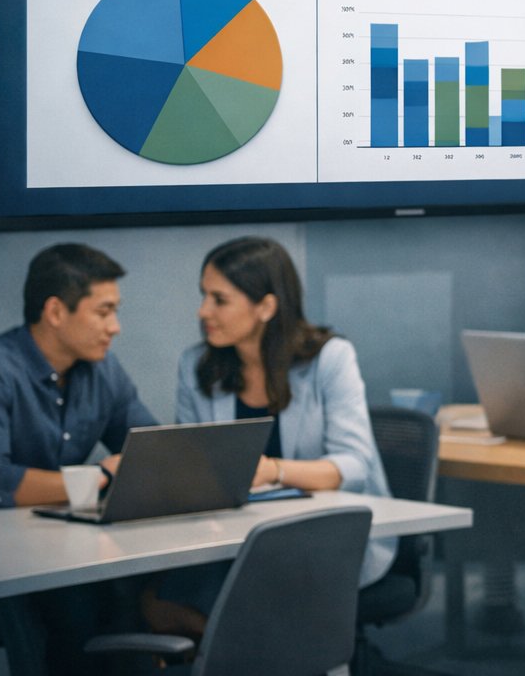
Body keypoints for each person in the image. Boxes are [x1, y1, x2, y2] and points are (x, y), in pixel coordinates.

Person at [142, 236, 394, 636]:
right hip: (230, 537)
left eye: (219, 299)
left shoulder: (330, 358)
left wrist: (273, 471)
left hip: (322, 538)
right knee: (150, 594)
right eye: (203, 296)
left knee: (245, 598)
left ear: (266, 307)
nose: (203, 311)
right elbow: (192, 465)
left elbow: (354, 466)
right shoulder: (197, 365)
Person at [0, 243, 157, 672]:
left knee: (132, 588)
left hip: (71, 551)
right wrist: (99, 475)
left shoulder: (104, 370)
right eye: (103, 312)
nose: (115, 327)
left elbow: (150, 446)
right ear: (55, 311)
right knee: (83, 605)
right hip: (7, 558)